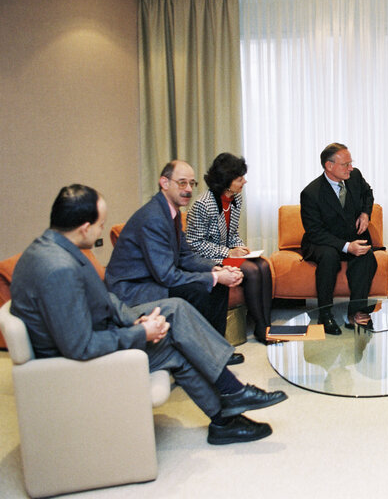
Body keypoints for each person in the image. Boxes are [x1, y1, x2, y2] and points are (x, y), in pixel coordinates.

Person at [10, 185, 287, 445]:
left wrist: (132, 318)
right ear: (84, 228)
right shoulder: (58, 269)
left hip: (99, 324)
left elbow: (104, 298)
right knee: (173, 345)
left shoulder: (55, 247)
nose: (102, 229)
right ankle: (226, 410)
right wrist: (140, 333)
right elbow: (79, 346)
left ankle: (230, 397)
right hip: (76, 362)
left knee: (175, 309)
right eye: (100, 224)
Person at [105, 160, 246, 365]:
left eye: (191, 183)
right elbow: (167, 276)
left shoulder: (171, 212)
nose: (188, 189)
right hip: (134, 290)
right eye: (181, 183)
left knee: (217, 285)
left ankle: (215, 349)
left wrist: (215, 268)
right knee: (201, 288)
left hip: (153, 279)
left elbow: (185, 256)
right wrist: (215, 277)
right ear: (164, 182)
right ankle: (206, 353)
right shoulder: (153, 217)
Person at [186, 153, 273, 343]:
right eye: (240, 178)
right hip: (207, 257)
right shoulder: (203, 204)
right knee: (252, 270)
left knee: (264, 266)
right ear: (227, 180)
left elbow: (231, 233)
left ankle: (266, 324)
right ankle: (260, 326)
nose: (245, 182)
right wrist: (228, 252)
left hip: (225, 253)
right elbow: (195, 244)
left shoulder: (235, 199)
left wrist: (241, 247)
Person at [300, 143, 377, 335]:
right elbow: (315, 231)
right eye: (346, 164)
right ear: (329, 166)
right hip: (323, 240)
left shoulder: (355, 176)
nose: (350, 168)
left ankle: (357, 312)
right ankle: (324, 314)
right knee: (329, 257)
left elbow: (368, 194)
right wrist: (346, 247)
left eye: (351, 163)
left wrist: (365, 214)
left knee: (366, 257)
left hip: (350, 234)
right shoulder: (311, 193)